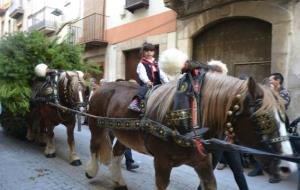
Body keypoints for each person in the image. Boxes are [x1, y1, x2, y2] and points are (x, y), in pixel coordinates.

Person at [247, 72, 290, 183]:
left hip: (279, 124)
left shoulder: (284, 92)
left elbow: (282, 105)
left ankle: (278, 173)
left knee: (277, 148)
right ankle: (260, 168)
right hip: (266, 121)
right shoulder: (267, 91)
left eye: (271, 80)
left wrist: (272, 93)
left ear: (278, 81)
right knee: (262, 145)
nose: (270, 82)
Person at [128, 42, 169, 112]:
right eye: (147, 51)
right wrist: (147, 81)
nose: (149, 53)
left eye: (151, 51)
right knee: (144, 89)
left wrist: (167, 83)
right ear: (143, 52)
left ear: (154, 52)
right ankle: (134, 103)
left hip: (157, 83)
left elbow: (162, 74)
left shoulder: (157, 63)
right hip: (147, 83)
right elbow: (142, 74)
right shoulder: (142, 63)